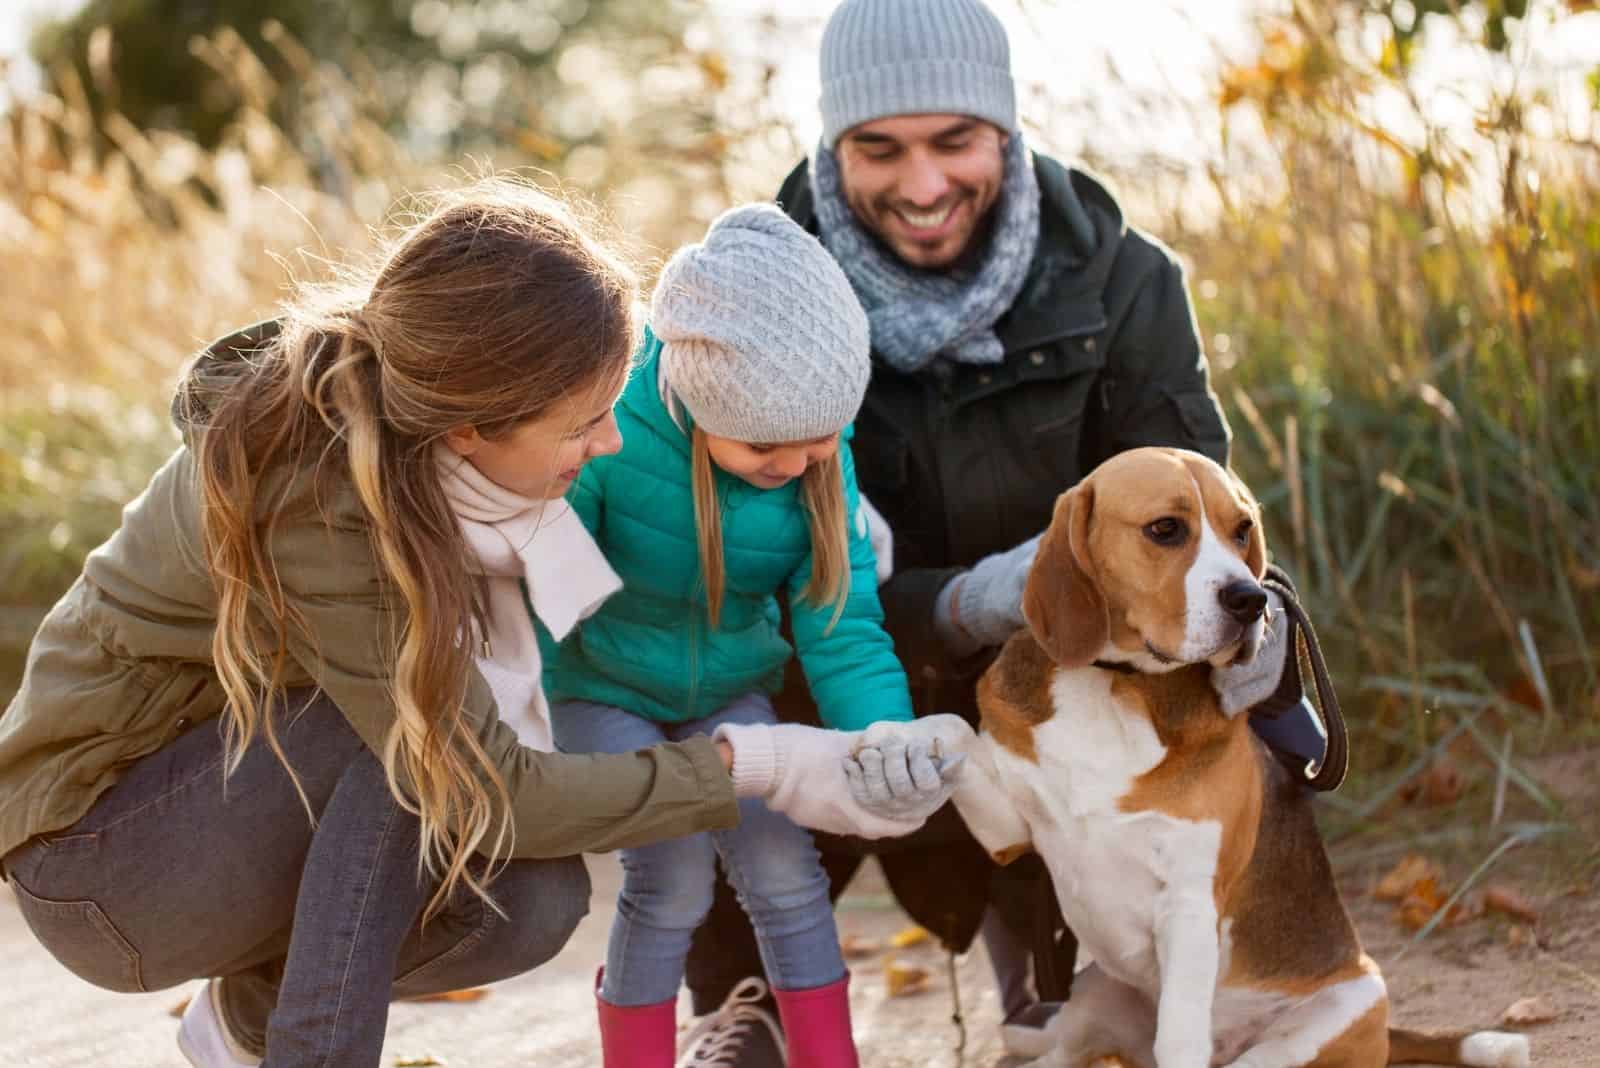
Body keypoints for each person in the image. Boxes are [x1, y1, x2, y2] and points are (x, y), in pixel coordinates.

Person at [0, 180, 954, 1068]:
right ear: (471, 426)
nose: (611, 439)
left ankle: (248, 1019)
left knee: (528, 898)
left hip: (222, 799)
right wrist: (764, 765)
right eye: (584, 422)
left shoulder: (446, 458)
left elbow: (508, 787)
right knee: (414, 724)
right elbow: (470, 767)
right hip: (98, 863)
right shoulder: (325, 494)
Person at [680, 1, 1332, 1063]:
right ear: (830, 144)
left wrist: (1258, 629)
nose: (923, 186)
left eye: (955, 142)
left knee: (1131, 698)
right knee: (727, 671)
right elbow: (731, 549)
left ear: (1006, 133)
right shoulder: (757, 287)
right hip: (831, 645)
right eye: (878, 149)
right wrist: (956, 601)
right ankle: (741, 997)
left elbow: (1202, 514)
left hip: (1061, 660)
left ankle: (1056, 962)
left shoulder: (1127, 281)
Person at [541, 203, 940, 1068]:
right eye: (766, 444)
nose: (795, 465)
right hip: (601, 684)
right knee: (672, 874)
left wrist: (885, 739)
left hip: (728, 690)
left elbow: (843, 629)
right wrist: (512, 718)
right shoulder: (613, 431)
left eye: (819, 443)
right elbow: (535, 588)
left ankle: (829, 1059)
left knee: (784, 869)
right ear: (702, 396)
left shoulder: (816, 454)